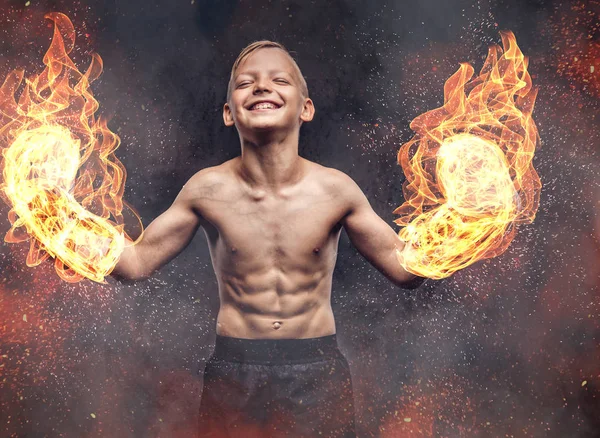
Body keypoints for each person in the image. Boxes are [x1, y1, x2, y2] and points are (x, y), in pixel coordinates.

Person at [111, 41, 423, 438]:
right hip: (235, 370)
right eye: (246, 83)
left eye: (279, 80)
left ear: (305, 108)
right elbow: (136, 263)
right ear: (229, 113)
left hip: (317, 369)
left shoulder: (336, 190)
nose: (262, 87)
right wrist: (64, 229)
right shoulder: (206, 189)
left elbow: (404, 269)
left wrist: (463, 233)